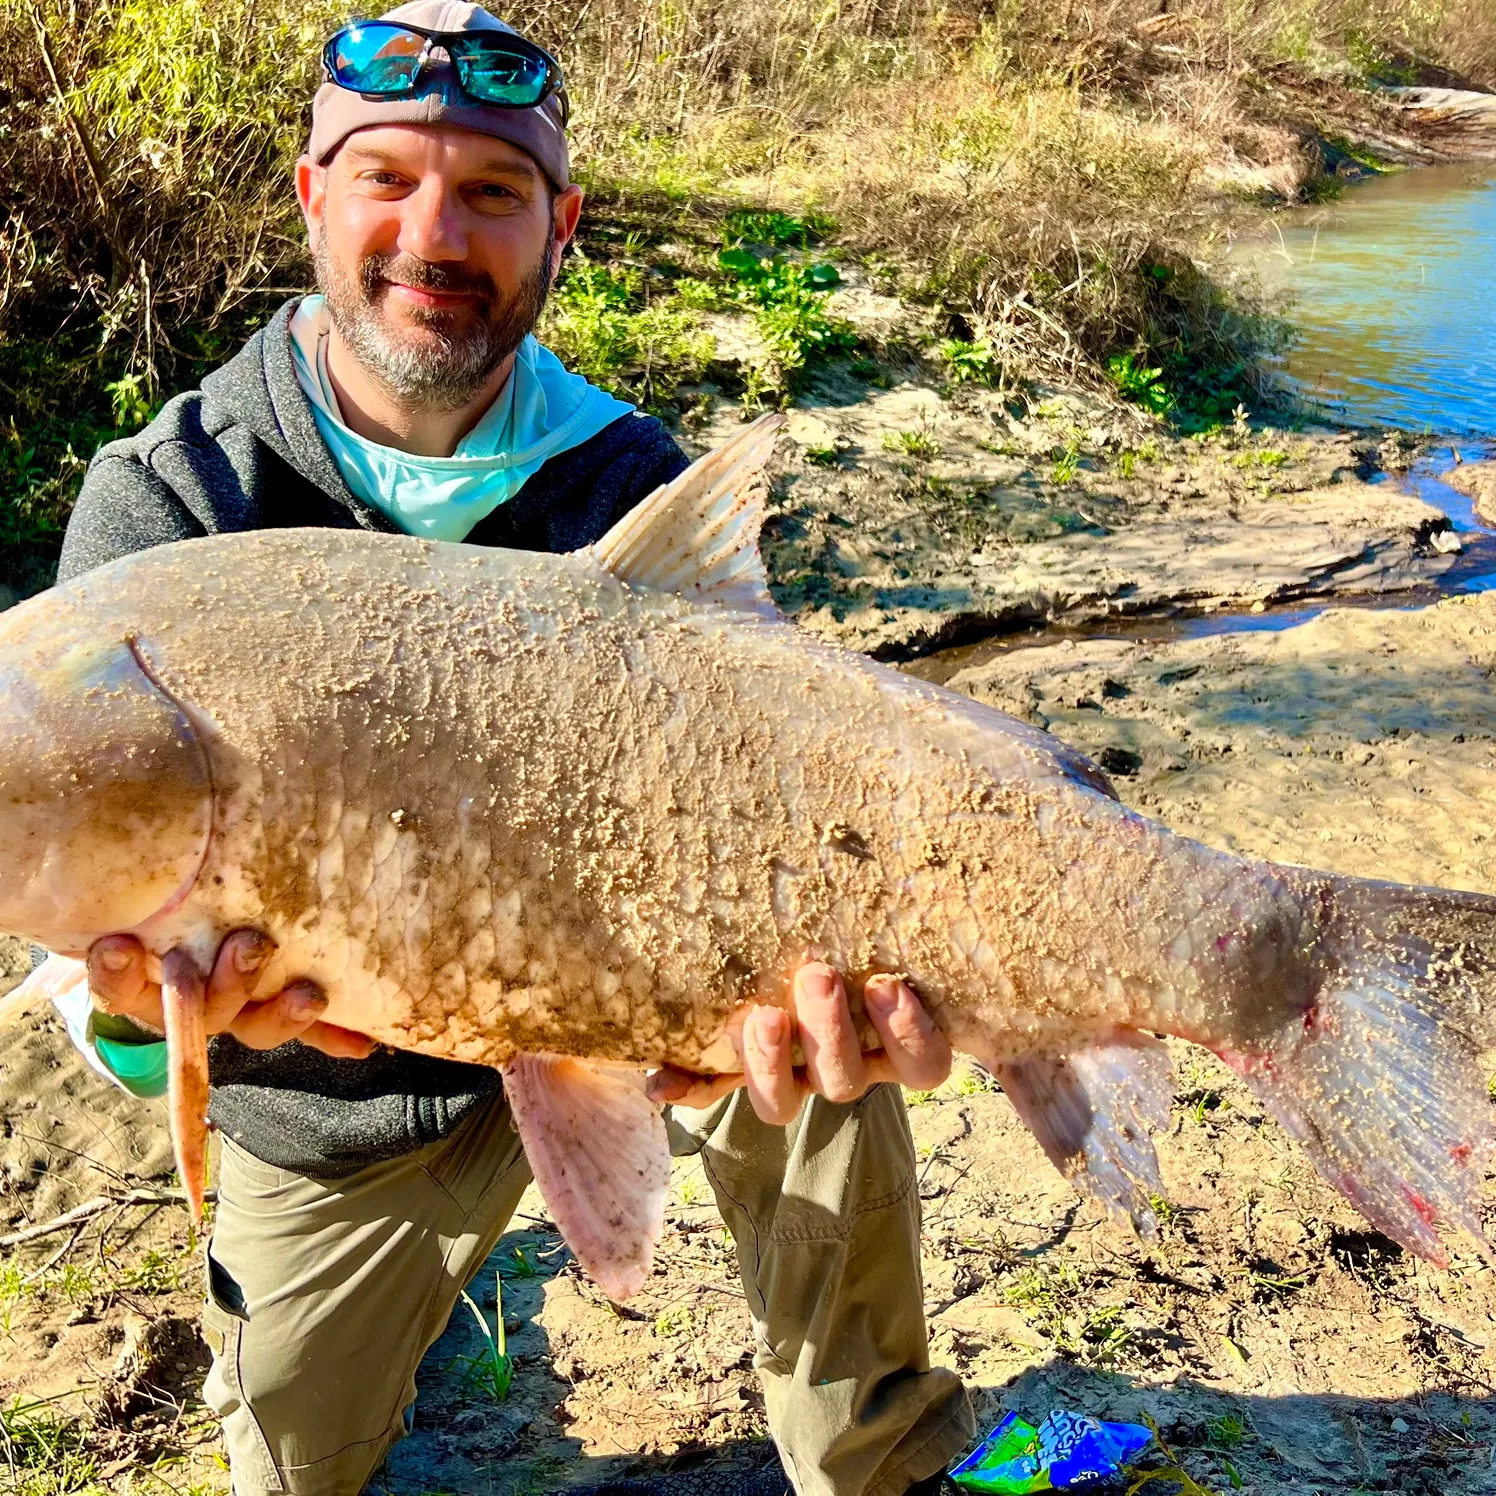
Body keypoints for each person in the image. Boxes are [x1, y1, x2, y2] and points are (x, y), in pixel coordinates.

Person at [52, 4, 976, 1493]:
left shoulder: (628, 480)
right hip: (339, 1112)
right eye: (388, 179)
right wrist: (150, 1014)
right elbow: (83, 958)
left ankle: (874, 1456)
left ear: (561, 225)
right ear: (312, 194)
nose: (436, 232)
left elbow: (791, 802)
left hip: (637, 1007)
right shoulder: (168, 502)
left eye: (491, 190)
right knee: (294, 1459)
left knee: (823, 1026)